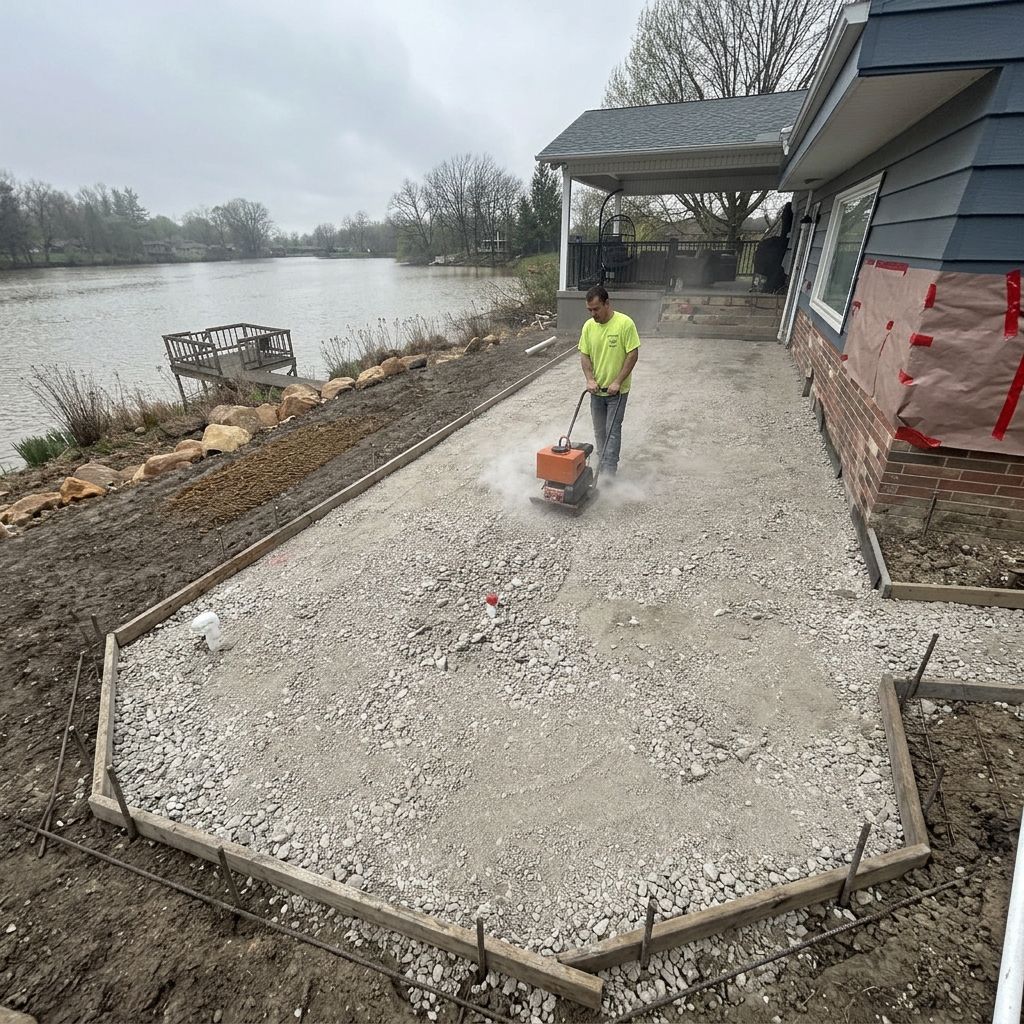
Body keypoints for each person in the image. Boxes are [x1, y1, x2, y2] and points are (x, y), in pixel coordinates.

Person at [578, 285, 640, 478]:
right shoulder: (589, 327)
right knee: (599, 431)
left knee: (612, 430)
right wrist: (590, 379)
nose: (593, 314)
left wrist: (618, 381)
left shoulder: (625, 324)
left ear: (607, 303)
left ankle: (608, 473)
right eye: (589, 310)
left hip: (617, 392)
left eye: (596, 309)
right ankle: (601, 464)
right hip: (596, 391)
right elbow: (584, 355)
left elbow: (632, 354)